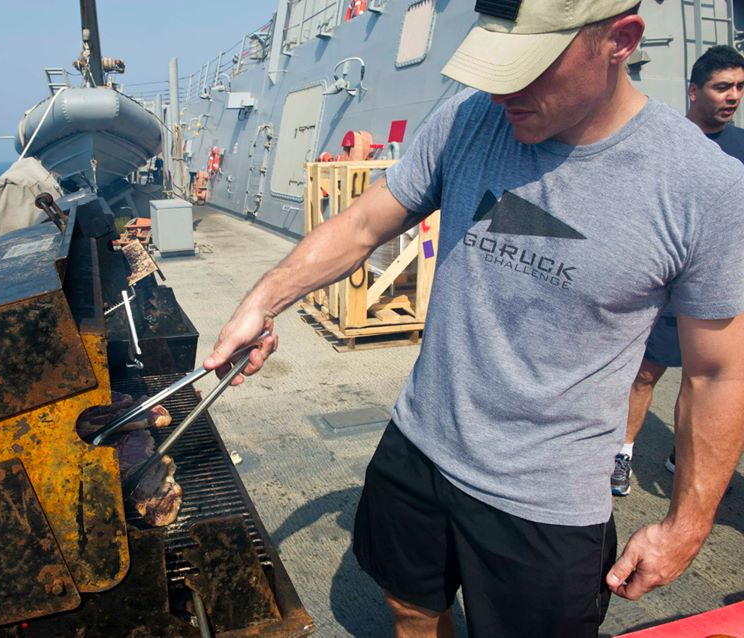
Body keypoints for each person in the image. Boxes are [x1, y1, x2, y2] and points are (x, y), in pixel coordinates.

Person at [204, 1, 744, 636]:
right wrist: (262, 299)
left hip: (546, 498)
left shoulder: (704, 187)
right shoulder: (469, 120)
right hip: (420, 443)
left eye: (531, 67)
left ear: (620, 40)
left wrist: (685, 527)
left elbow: (717, 373)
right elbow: (362, 224)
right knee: (409, 608)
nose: (501, 89)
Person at [612, 44, 744, 496]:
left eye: (739, 87)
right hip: (668, 286)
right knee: (646, 373)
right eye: (721, 87)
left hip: (723, 288)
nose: (732, 96)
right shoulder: (664, 142)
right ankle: (622, 453)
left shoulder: (742, 147)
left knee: (705, 378)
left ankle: (684, 459)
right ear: (693, 90)